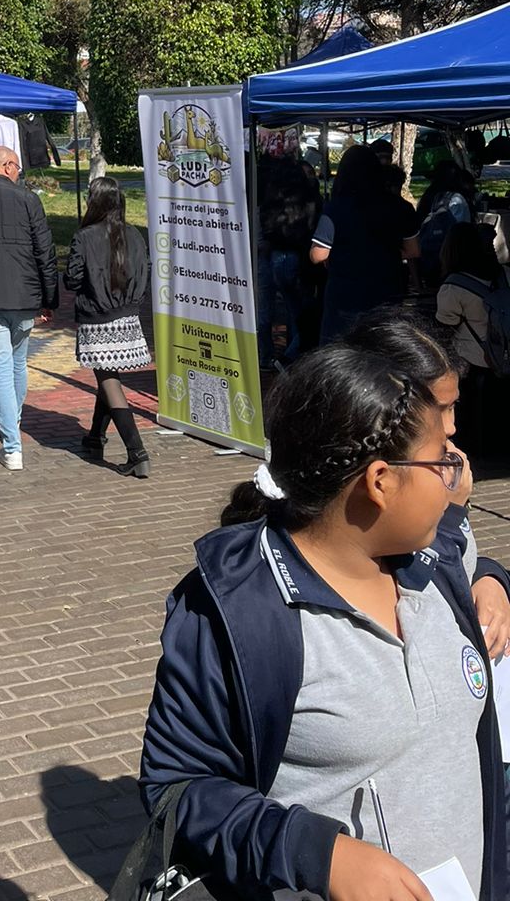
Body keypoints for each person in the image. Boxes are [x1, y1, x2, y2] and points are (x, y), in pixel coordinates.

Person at [140, 320, 510, 901]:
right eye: (441, 459)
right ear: (380, 482)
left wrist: (493, 580)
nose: (455, 479)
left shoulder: (429, 559)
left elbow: (472, 564)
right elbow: (177, 789)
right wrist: (318, 854)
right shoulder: (239, 613)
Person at [0, 145, 58, 470]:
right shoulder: (28, 199)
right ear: (6, 166)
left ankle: (11, 445)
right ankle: (11, 435)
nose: (19, 173)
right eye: (17, 167)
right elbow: (45, 251)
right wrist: (50, 298)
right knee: (16, 367)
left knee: (5, 369)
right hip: (24, 295)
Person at [63, 176, 151, 477]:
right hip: (128, 315)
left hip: (97, 317)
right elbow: (145, 272)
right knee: (106, 377)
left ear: (95, 201)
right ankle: (95, 438)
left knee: (109, 381)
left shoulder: (85, 237)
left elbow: (72, 280)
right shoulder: (135, 235)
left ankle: (136, 451)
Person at [310, 143, 419, 342]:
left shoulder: (335, 209)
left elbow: (318, 255)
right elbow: (413, 251)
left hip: (345, 294)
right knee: (381, 350)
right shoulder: (401, 207)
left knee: (342, 355)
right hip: (388, 291)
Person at [437, 223, 509, 459]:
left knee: (472, 411)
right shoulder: (504, 275)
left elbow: (445, 326)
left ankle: (478, 452)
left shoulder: (454, 286)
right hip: (504, 355)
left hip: (473, 359)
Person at [256, 154, 321, 370]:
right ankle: (291, 357)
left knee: (274, 308)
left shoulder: (272, 197)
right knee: (299, 313)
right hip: (298, 255)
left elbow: (268, 226)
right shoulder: (308, 198)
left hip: (276, 255)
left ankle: (273, 356)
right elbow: (312, 227)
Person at [417, 160, 477, 289]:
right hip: (452, 259)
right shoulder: (456, 200)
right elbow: (463, 229)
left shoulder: (429, 197)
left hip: (430, 255)